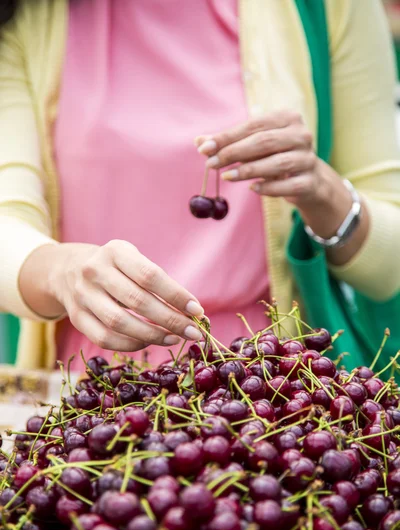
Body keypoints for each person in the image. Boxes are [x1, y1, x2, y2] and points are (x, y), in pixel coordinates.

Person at [0, 0, 400, 371]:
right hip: (98, 385)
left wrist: (323, 191)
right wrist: (63, 271)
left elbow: (391, 267)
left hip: (271, 384)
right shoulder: (27, 11)